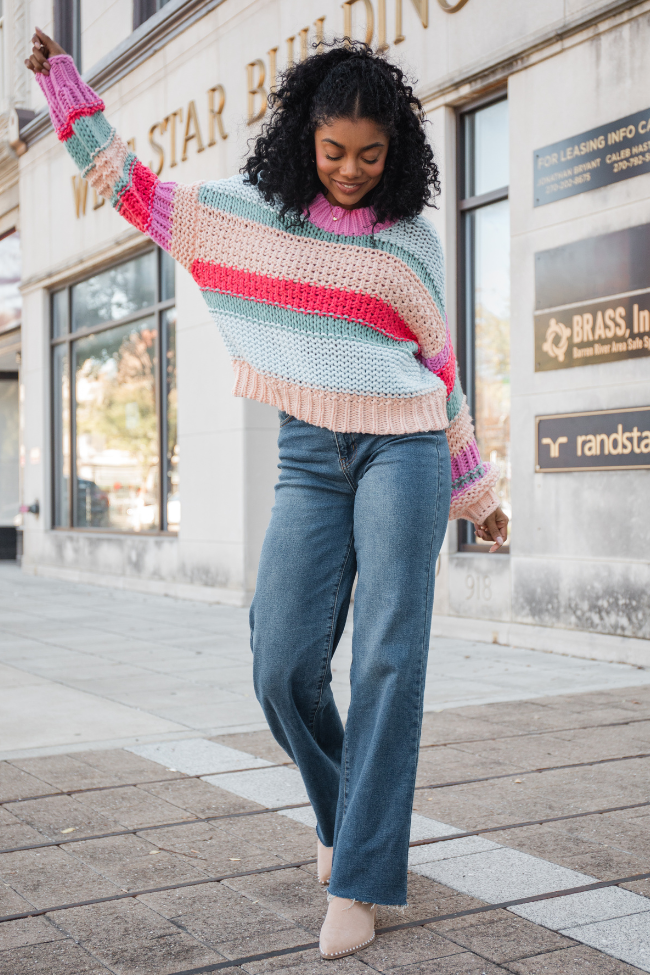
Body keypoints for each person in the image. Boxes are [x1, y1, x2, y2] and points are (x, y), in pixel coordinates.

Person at [26, 28, 508, 960]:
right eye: (335, 152)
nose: (352, 171)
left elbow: (440, 373)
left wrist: (475, 489)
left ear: (395, 152)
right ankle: (343, 813)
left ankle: (361, 878)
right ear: (305, 137)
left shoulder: (411, 244)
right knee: (281, 660)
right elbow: (132, 187)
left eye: (372, 155)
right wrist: (62, 83)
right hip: (306, 451)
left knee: (386, 657)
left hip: (404, 448)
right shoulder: (248, 216)